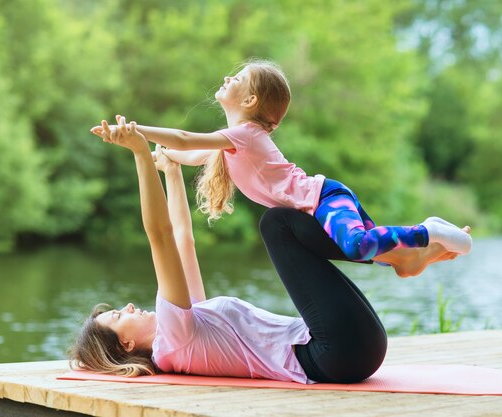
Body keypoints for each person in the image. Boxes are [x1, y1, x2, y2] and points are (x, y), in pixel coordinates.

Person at [71, 119, 466, 382]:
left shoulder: (187, 325)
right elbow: (157, 235)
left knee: (279, 222)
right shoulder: (171, 341)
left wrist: (172, 173)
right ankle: (394, 253)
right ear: (125, 345)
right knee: (277, 224)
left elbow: (180, 238)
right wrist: (141, 154)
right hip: (335, 353)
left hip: (347, 349)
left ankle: (397, 256)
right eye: (119, 318)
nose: (128, 307)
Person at [90, 59, 472, 266]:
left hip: (326, 199)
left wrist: (137, 129)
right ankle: (424, 255)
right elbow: (188, 153)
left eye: (237, 77)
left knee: (357, 246)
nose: (226, 76)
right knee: (395, 261)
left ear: (251, 101)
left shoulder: (247, 135)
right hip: (314, 210)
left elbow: (187, 138)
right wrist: (151, 153)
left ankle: (428, 230)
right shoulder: (233, 143)